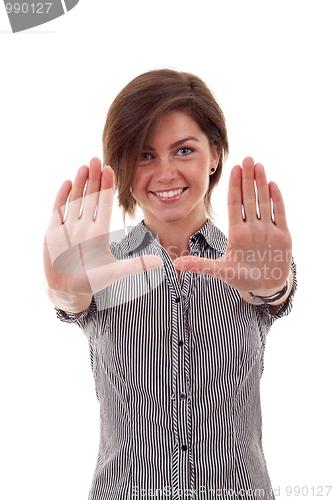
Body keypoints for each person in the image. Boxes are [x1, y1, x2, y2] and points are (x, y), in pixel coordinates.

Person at [43, 69, 297, 500]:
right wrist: (66, 292)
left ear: (214, 153)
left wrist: (275, 286)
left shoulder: (250, 258)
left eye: (183, 150)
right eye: (144, 155)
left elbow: (276, 291)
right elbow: (71, 300)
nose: (164, 173)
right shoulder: (99, 265)